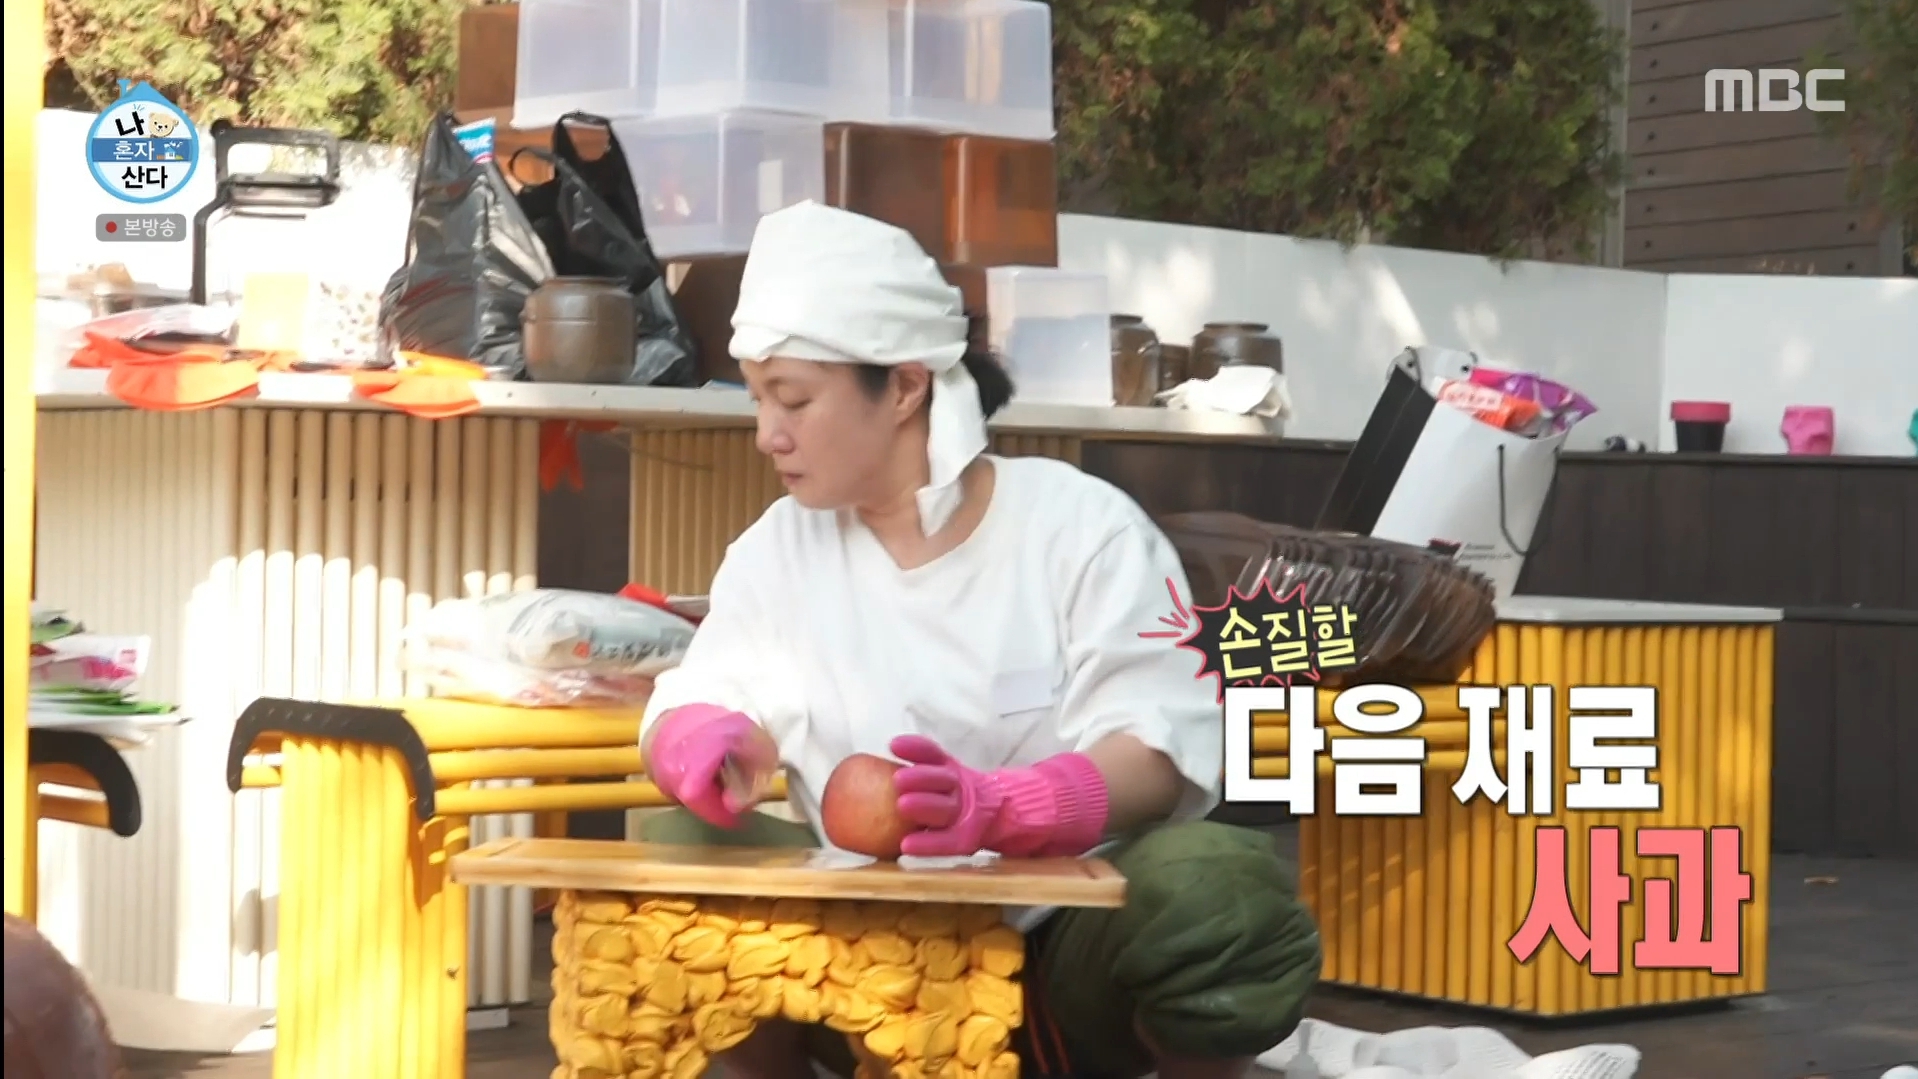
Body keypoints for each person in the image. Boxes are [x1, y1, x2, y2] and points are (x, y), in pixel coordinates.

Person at [638, 201, 1322, 1079]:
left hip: (1059, 966)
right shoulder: (776, 552)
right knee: (679, 847)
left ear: (906, 387)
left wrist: (1013, 806)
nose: (768, 432)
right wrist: (697, 735)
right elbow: (706, 692)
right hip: (857, 970)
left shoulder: (1080, 527)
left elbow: (1159, 748)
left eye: (794, 398)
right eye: (759, 396)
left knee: (1216, 888)